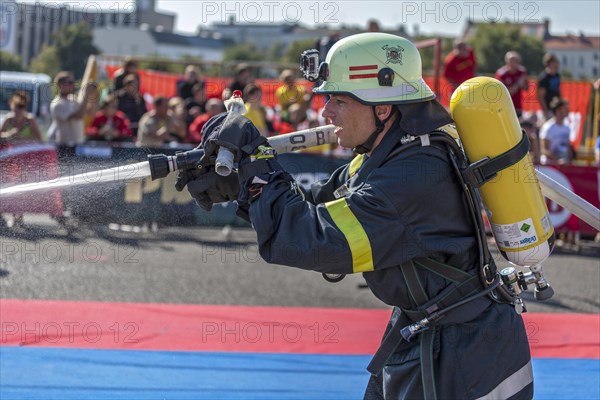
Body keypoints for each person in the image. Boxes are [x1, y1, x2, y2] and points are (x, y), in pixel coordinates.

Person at [177, 32, 533, 399]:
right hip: (434, 334)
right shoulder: (386, 154)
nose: (326, 111)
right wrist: (243, 182)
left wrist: (258, 173)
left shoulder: (412, 175)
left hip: (465, 362)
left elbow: (317, 239)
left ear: (383, 108)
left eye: (339, 100)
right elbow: (313, 205)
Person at [50, 71, 96, 145]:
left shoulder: (73, 98)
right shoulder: (57, 104)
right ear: (61, 85)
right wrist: (86, 95)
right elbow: (79, 116)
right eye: (70, 82)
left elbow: (90, 112)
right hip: (65, 145)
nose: (73, 85)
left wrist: (92, 95)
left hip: (78, 143)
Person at [539, 97, 573, 164]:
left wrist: (569, 160)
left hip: (563, 165)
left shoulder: (567, 128)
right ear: (556, 111)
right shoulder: (548, 127)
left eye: (566, 110)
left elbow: (567, 147)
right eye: (562, 110)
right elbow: (544, 150)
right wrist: (557, 161)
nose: (564, 112)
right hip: (549, 165)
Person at [495, 51, 529, 117]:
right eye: (512, 60)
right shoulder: (501, 74)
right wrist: (518, 84)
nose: (514, 63)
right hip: (504, 107)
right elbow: (504, 92)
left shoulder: (522, 72)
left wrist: (523, 84)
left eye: (516, 60)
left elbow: (526, 88)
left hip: (518, 106)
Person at [537, 53, 561, 120]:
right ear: (550, 63)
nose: (557, 64)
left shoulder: (557, 75)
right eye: (555, 62)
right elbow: (541, 96)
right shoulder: (544, 77)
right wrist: (546, 111)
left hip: (556, 109)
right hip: (548, 110)